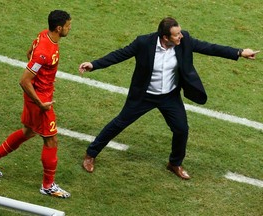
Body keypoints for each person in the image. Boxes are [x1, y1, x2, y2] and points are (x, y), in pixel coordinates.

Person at [79, 17, 259, 180]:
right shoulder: (144, 43)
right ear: (165, 37)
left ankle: (174, 163)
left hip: (170, 97)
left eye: (180, 32)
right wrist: (94, 64)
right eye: (176, 34)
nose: (181, 36)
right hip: (145, 96)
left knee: (181, 129)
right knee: (119, 123)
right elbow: (120, 54)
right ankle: (91, 153)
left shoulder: (184, 40)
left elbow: (210, 48)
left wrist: (239, 52)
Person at [0, 10, 72, 198]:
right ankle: (48, 185)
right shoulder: (45, 52)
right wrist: (41, 103)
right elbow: (24, 80)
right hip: (40, 100)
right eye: (68, 25)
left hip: (37, 97)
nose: (70, 28)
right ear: (59, 28)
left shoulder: (43, 36)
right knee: (51, 139)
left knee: (29, 131)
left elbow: (28, 53)